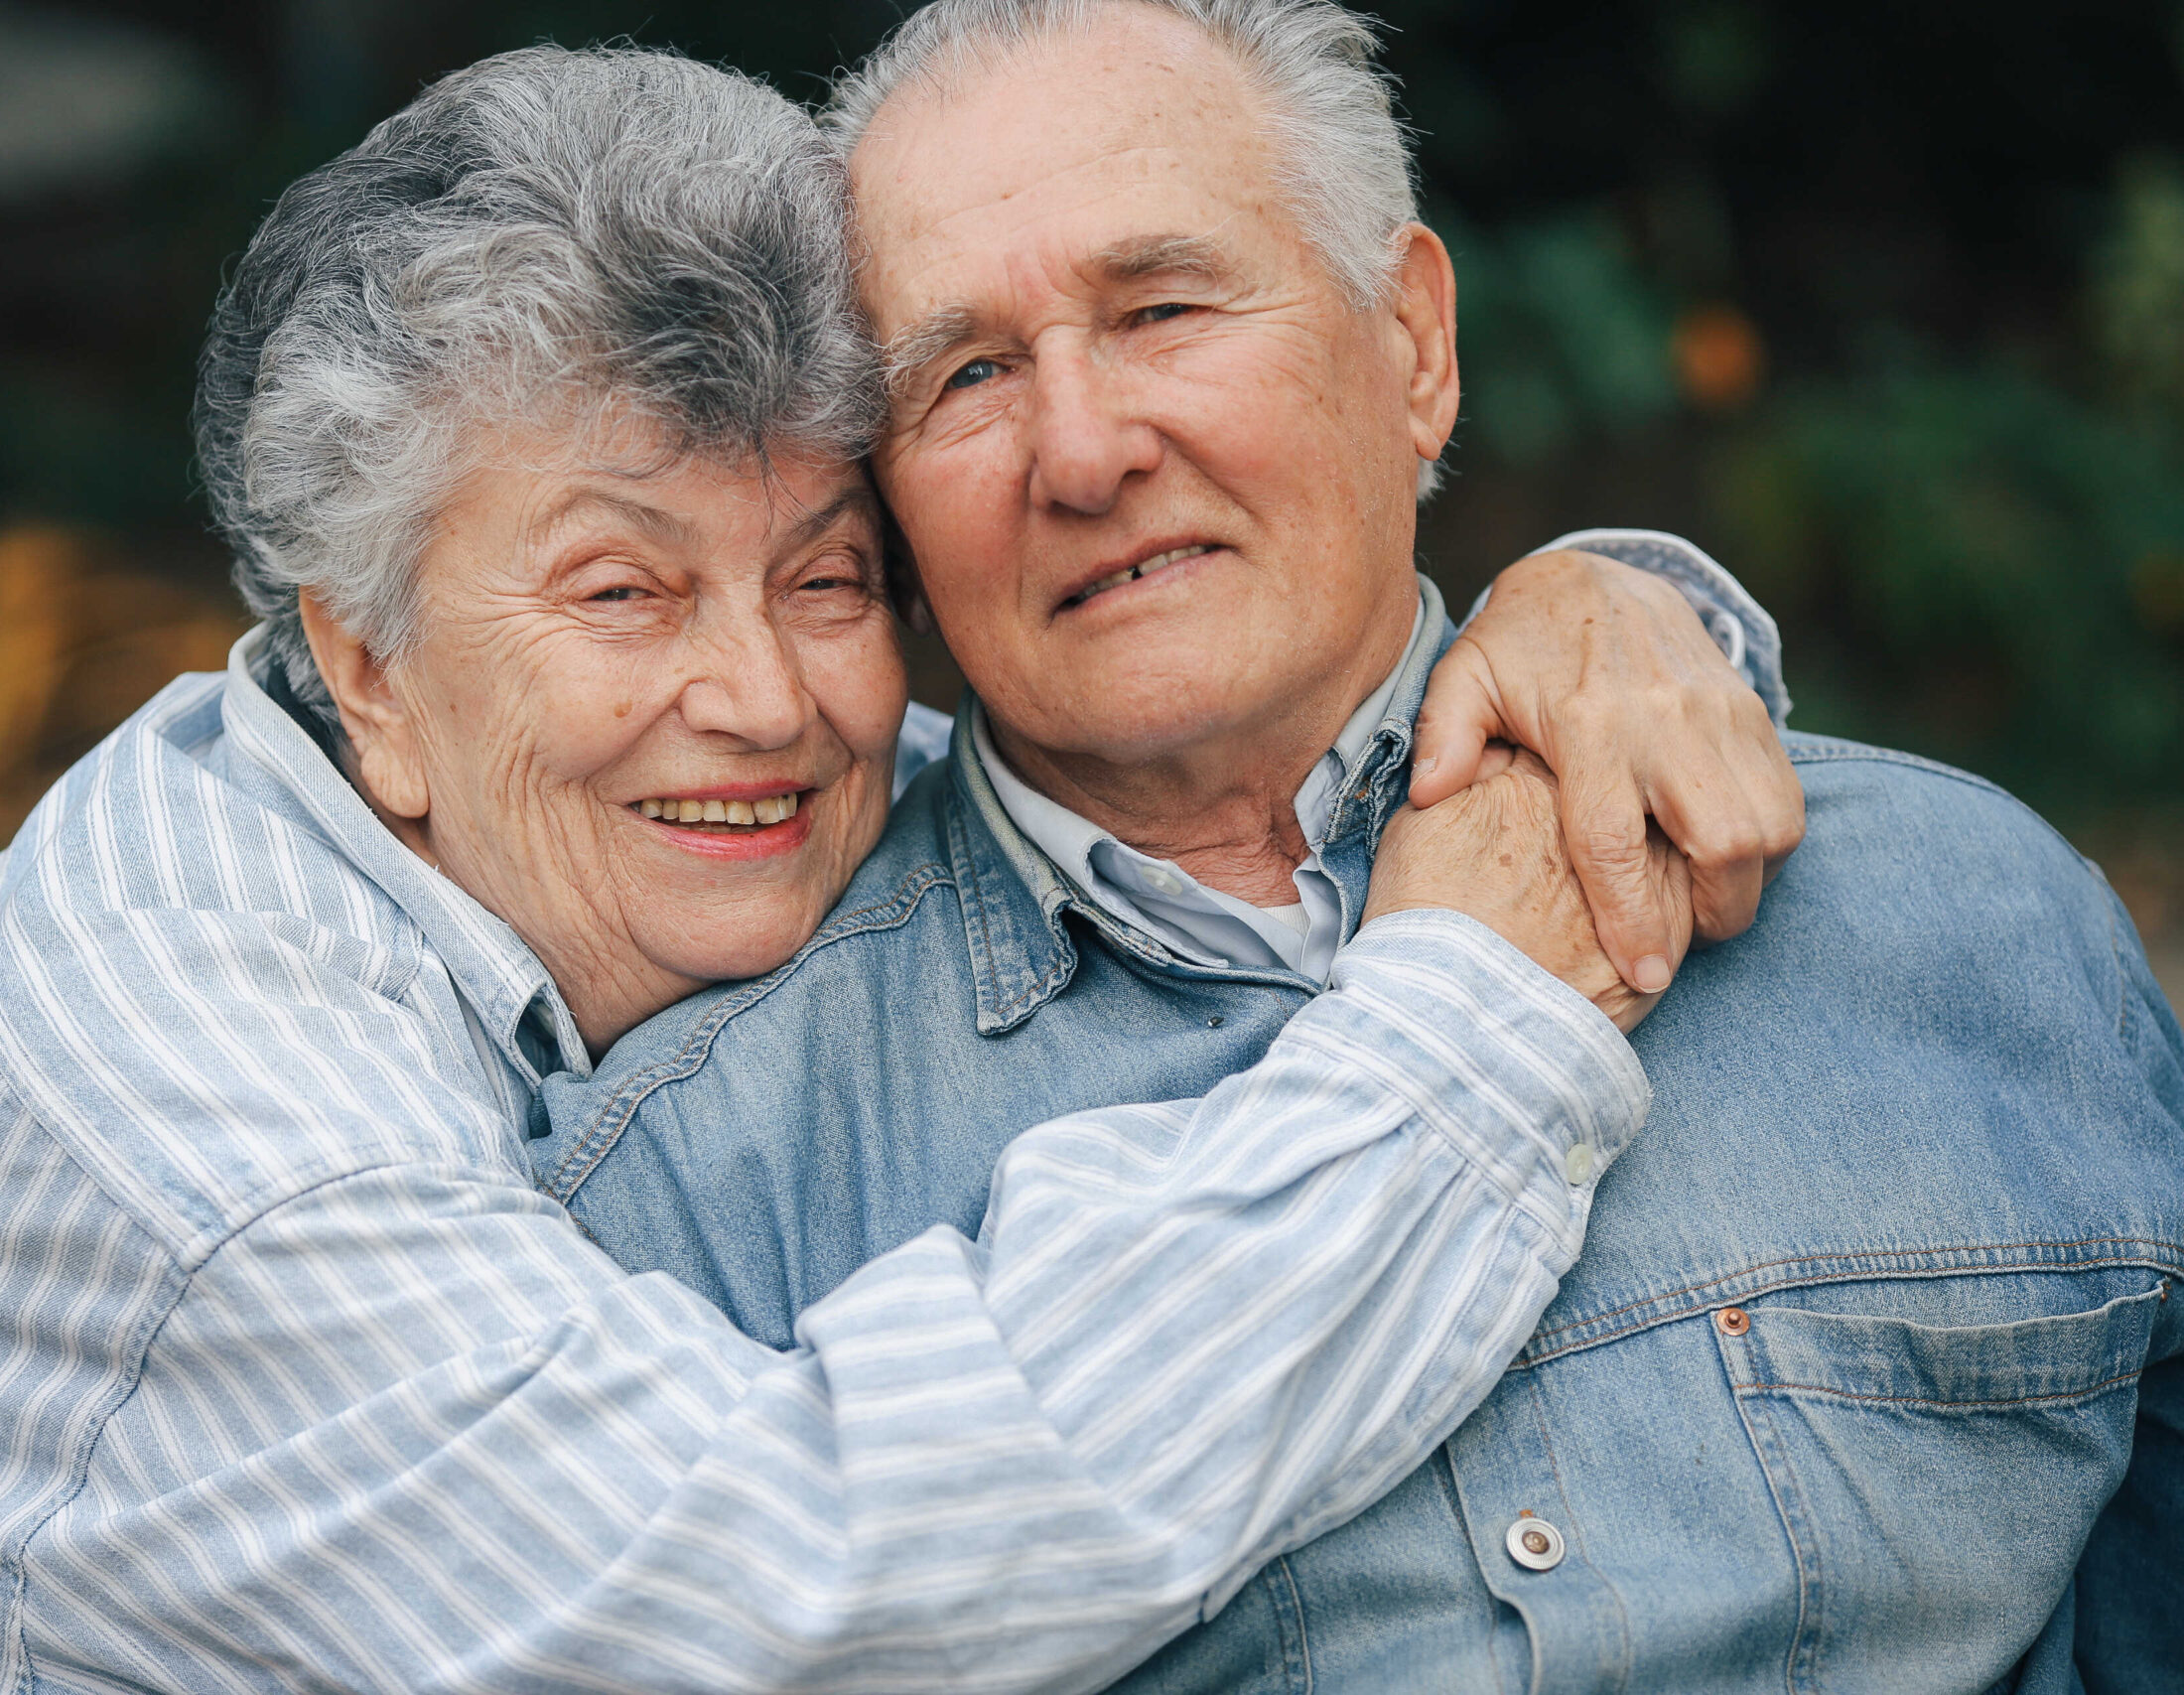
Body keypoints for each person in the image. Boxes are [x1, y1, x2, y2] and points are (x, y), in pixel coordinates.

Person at [0, 44, 1803, 1694]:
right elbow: (794, 1591)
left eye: (824, 573)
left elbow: (1169, 708)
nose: (759, 697)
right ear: (362, 653)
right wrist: (1472, 1027)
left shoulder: (507, 792)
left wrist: (1593, 618)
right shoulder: (197, 1090)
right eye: (623, 588)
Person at [546, 3, 2184, 1689]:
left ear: (1414, 345)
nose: (1087, 451)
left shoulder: (1972, 920)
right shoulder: (705, 1188)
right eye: (965, 375)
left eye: (1163, 310)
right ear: (883, 499)